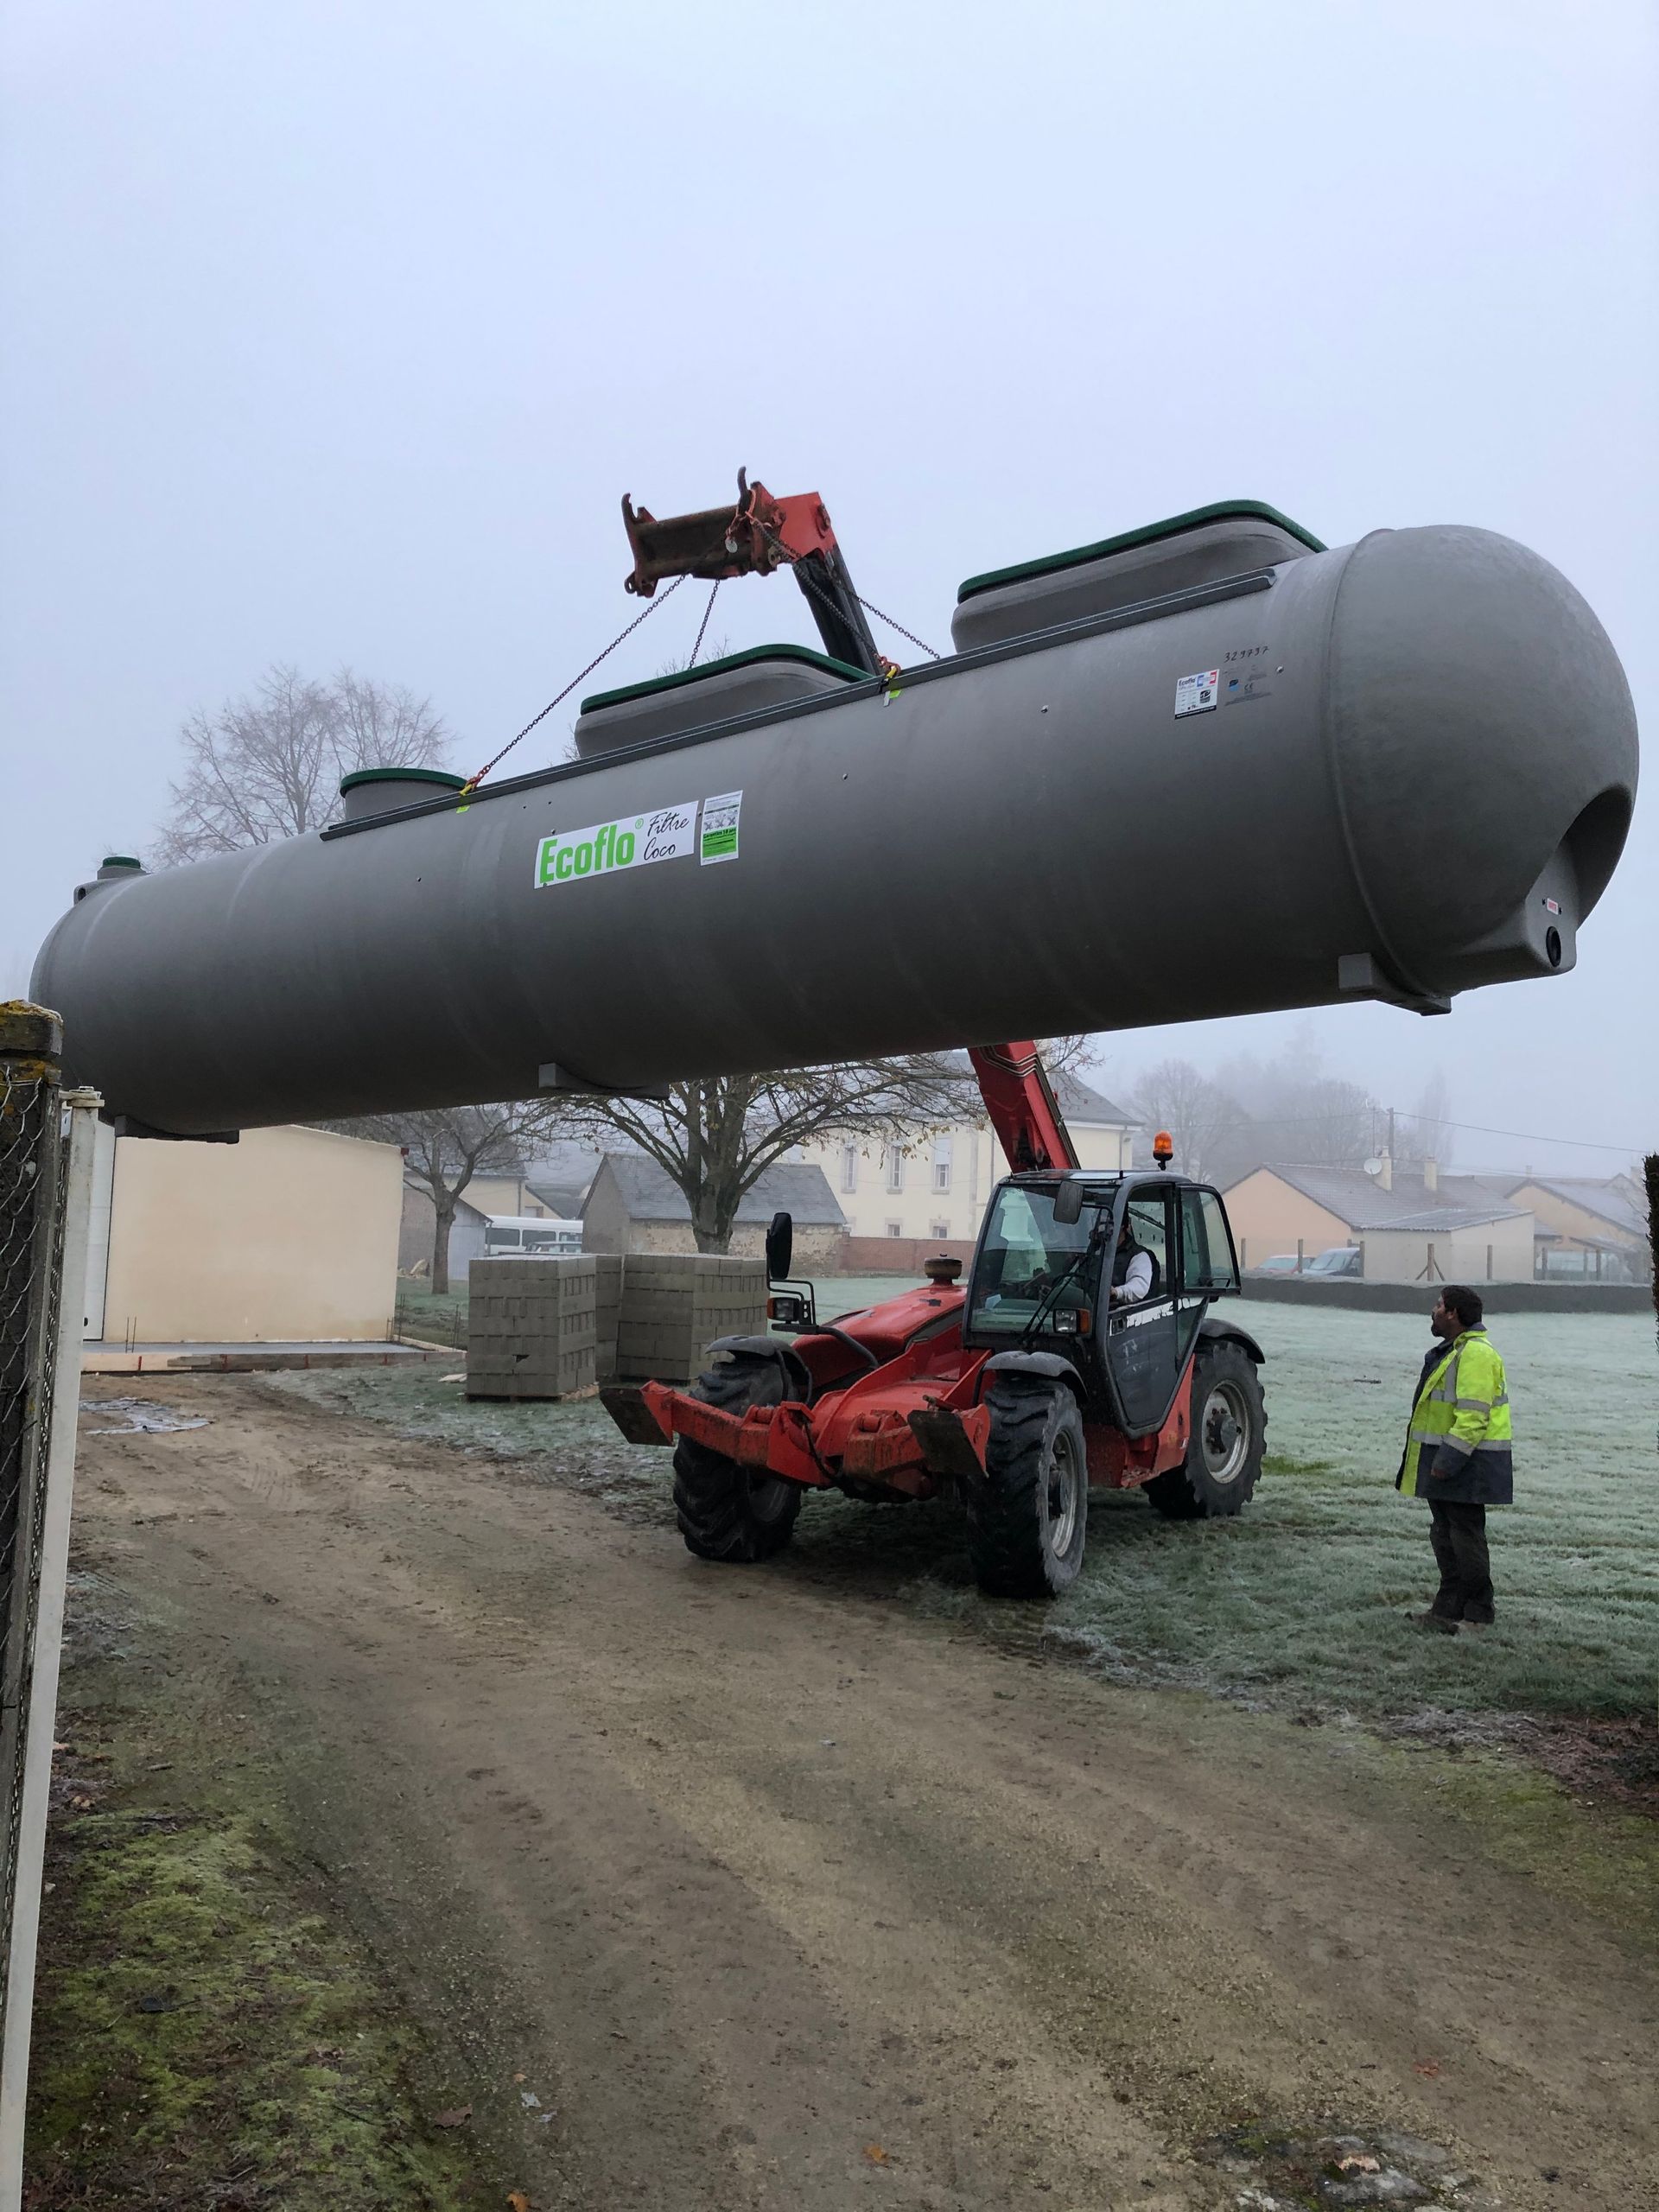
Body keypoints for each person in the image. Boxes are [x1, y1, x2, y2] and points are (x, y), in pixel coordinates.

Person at [1396, 1284, 1512, 1632]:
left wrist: (1447, 1461)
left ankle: (1479, 1613)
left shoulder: (1475, 1354)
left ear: (1453, 1314)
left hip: (1465, 1464)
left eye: (1439, 1305)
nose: (1433, 1311)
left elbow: (1474, 1417)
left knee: (1465, 1537)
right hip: (1450, 1461)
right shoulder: (1453, 1351)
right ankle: (1447, 1610)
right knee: (1446, 1536)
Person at [1109, 1216, 1154, 1306]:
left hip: (1117, 1312)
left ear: (1121, 1225)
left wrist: (1116, 1292)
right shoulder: (1096, 1253)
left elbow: (1139, 1286)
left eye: (1106, 1222)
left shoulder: (1139, 1255)